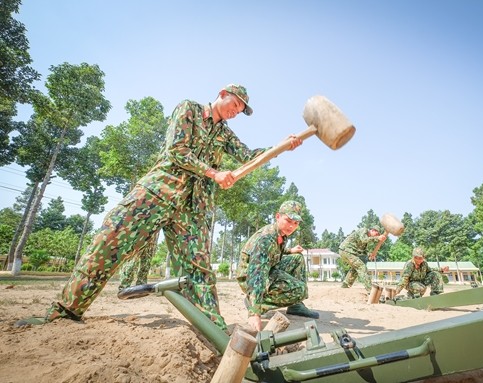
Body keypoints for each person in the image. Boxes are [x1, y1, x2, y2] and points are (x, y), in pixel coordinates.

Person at [16, 84, 302, 331]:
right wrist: (213, 173)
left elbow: (247, 156)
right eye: (235, 104)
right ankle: (64, 313)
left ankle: (211, 329)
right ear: (222, 94)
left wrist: (280, 146)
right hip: (157, 193)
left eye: (240, 110)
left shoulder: (225, 135)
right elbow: (177, 151)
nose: (236, 111)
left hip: (193, 208)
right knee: (109, 241)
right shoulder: (189, 109)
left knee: (198, 270)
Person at [237, 200, 319, 332]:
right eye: (288, 220)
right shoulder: (266, 239)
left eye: (296, 223)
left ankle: (295, 306)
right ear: (278, 216)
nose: (291, 226)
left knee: (297, 258)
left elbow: (274, 252)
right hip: (250, 279)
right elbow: (256, 275)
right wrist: (254, 313)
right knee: (301, 290)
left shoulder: (280, 233)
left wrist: (289, 251)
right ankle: (259, 304)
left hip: (268, 269)